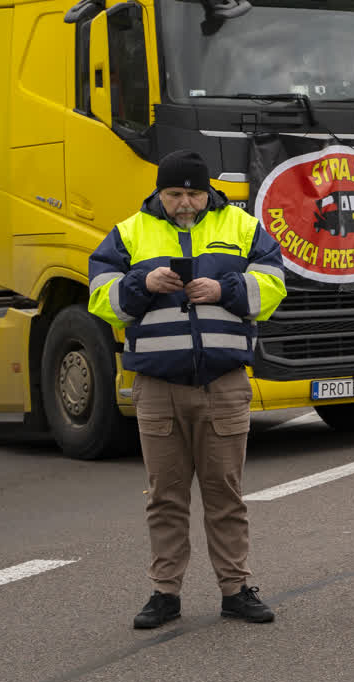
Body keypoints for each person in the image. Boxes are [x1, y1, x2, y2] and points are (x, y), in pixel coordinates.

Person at [88, 150, 288, 629]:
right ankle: (164, 594)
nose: (185, 203)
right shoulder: (129, 232)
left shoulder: (242, 226)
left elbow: (276, 285)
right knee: (165, 496)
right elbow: (100, 296)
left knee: (226, 493)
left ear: (207, 191)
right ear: (159, 192)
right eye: (175, 193)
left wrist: (225, 291)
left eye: (193, 193)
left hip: (222, 383)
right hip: (157, 387)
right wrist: (142, 283)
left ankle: (236, 590)